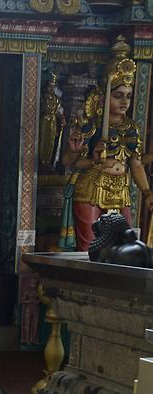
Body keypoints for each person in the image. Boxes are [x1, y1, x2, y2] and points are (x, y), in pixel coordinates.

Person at [60, 37, 153, 251]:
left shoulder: (131, 128)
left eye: (128, 97)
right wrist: (88, 158)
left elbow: (136, 164)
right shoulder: (90, 126)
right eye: (118, 95)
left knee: (124, 246)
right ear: (104, 97)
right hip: (91, 189)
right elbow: (70, 162)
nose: (124, 102)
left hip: (121, 191)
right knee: (90, 247)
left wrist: (147, 192)